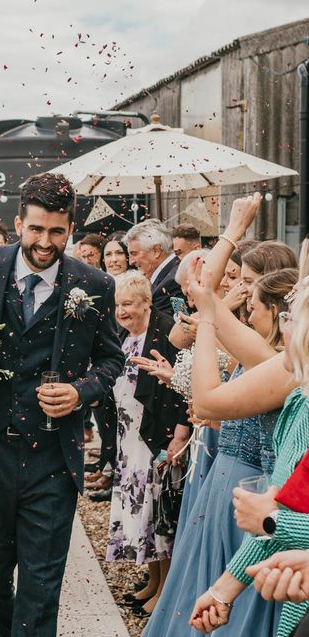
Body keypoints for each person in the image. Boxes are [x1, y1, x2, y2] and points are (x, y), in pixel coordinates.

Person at [0, 172, 124, 635]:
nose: (45, 242)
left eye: (56, 231)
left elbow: (111, 359)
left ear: (70, 227)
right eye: (36, 229)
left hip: (52, 456)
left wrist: (80, 391)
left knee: (42, 587)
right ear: (18, 223)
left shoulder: (95, 284)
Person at [142, 195, 295, 636]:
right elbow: (204, 304)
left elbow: (209, 396)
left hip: (256, 491)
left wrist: (208, 308)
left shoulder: (282, 366)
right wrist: (210, 279)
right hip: (230, 482)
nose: (242, 296)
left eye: (250, 289)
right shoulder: (276, 357)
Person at [189, 272, 309, 636]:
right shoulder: (299, 404)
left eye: (291, 319)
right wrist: (224, 589)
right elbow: (286, 507)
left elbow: (277, 518)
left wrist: (273, 520)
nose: (284, 329)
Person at [107, 271, 185, 617]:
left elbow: (181, 384)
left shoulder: (167, 332)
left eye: (128, 304)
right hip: (128, 437)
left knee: (158, 515)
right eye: (118, 304)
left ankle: (166, 590)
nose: (121, 311)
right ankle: (152, 581)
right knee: (142, 515)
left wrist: (177, 435)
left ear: (146, 303)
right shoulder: (122, 335)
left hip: (155, 434)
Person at [125, 219, 184, 315]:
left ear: (156, 251)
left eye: (134, 254)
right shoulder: (170, 274)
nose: (131, 262)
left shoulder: (172, 282)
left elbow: (159, 326)